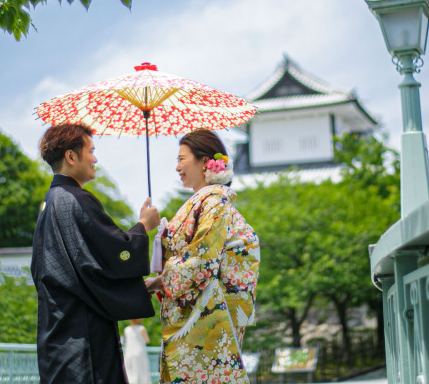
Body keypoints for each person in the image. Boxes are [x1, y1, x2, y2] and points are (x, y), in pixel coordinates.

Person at [31, 123, 160, 384]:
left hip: (59, 333)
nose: (95, 159)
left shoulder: (50, 202)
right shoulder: (75, 199)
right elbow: (115, 253)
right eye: (91, 150)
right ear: (70, 156)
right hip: (83, 339)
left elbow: (84, 271)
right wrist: (144, 225)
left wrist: (142, 286)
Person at [146, 129, 260, 384]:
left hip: (207, 310)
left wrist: (159, 280)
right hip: (198, 308)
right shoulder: (204, 202)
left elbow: (201, 259)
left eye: (182, 159)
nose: (177, 167)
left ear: (205, 161)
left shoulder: (214, 203)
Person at [122, 319, 151, 384]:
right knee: (141, 371)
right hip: (139, 352)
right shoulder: (141, 328)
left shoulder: (126, 329)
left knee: (129, 371)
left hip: (129, 352)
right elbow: (147, 340)